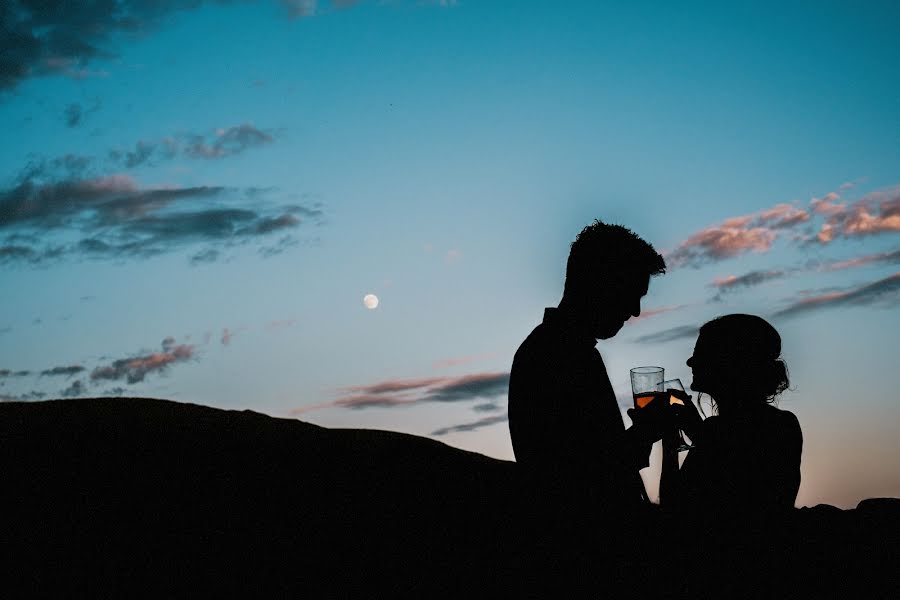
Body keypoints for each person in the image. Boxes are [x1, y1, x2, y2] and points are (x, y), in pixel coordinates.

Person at [507, 220, 672, 513]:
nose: (635, 310)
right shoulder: (556, 355)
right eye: (631, 292)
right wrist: (644, 434)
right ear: (598, 282)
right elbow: (577, 475)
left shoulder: (566, 350)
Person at [661, 314, 803, 517]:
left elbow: (675, 508)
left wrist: (684, 438)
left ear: (728, 361)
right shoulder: (783, 425)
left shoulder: (772, 427)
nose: (690, 361)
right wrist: (684, 436)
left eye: (700, 354)